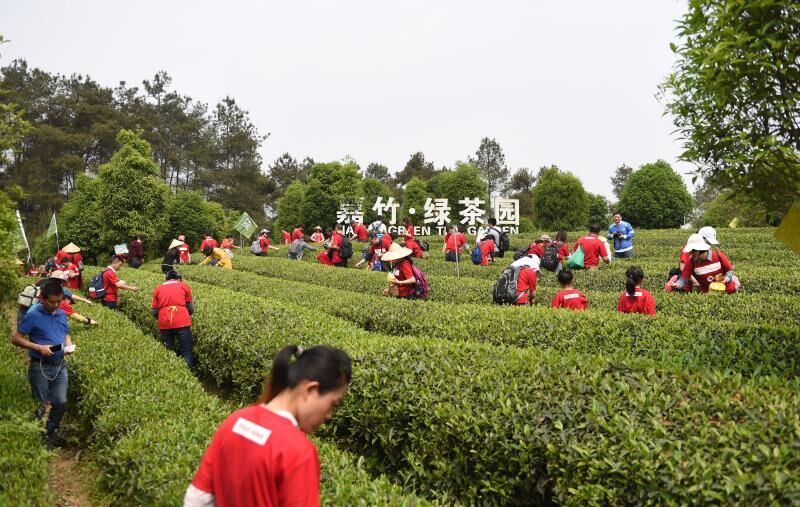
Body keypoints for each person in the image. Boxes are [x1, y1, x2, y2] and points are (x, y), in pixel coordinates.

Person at [184, 345, 351, 506]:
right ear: (310, 390)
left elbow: (198, 497)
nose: (329, 415)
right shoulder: (298, 451)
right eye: (333, 404)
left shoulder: (235, 421)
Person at [12, 282, 74, 448]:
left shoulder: (61, 314)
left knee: (60, 401)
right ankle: (37, 440)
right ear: (42, 299)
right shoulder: (33, 315)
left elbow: (65, 332)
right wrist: (39, 347)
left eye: (58, 301)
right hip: (40, 366)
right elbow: (16, 339)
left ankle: (50, 432)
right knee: (40, 405)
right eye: (51, 302)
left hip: (60, 365)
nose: (55, 305)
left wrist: (68, 344)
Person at [151, 270, 195, 368]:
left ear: (166, 278)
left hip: (165, 322)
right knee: (186, 351)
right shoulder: (184, 286)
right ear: (177, 278)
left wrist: (162, 316)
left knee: (169, 351)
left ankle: (173, 374)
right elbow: (191, 308)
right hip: (182, 322)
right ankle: (189, 376)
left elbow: (154, 311)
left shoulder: (158, 288)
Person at [672, 233, 739, 294]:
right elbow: (684, 278)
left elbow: (729, 270)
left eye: (692, 251)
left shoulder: (718, 255)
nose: (690, 254)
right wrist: (678, 285)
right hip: (709, 294)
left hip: (728, 291)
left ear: (700, 250)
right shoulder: (691, 261)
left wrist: (726, 278)